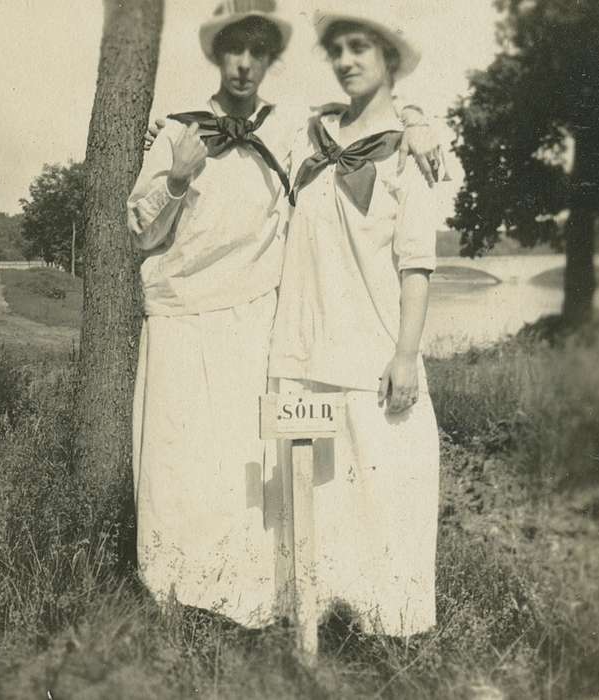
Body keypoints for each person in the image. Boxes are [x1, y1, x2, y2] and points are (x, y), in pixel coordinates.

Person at [127, 0, 437, 628]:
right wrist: (178, 178)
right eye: (233, 50)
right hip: (183, 323)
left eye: (258, 52)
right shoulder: (177, 133)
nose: (244, 63)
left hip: (254, 326)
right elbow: (140, 230)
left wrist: (420, 120)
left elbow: (364, 120)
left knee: (248, 487)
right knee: (177, 471)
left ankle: (246, 607)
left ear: (271, 60)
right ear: (216, 55)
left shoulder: (288, 128)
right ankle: (171, 608)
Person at [267, 6, 443, 637]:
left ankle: (387, 636)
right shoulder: (305, 139)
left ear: (388, 58)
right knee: (313, 498)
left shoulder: (409, 156)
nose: (345, 61)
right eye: (336, 49)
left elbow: (416, 265)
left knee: (388, 491)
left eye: (359, 47)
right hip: (304, 353)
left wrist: (405, 354)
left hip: (373, 356)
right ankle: (313, 629)